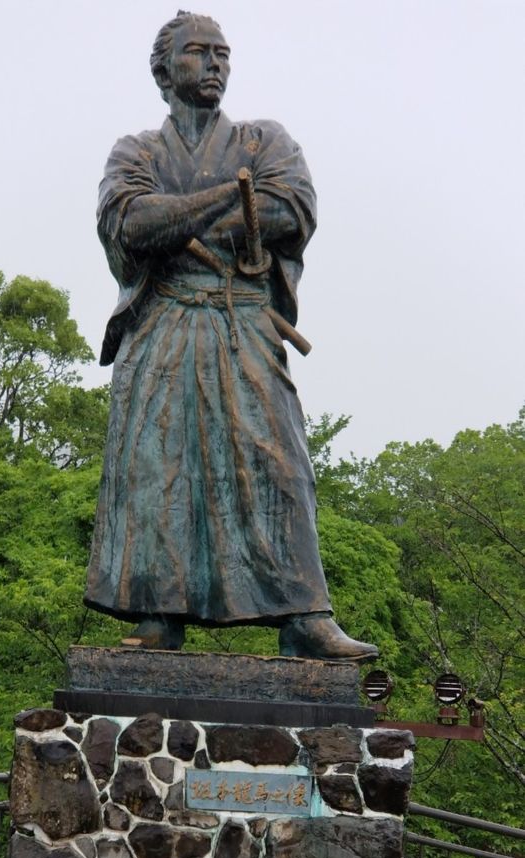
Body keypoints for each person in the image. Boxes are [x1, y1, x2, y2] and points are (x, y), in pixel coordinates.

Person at [84, 11, 378, 661]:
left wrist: (187, 213)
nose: (216, 62)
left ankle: (304, 615)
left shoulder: (264, 139)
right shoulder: (136, 152)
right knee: (159, 471)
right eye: (198, 52)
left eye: (223, 52)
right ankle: (158, 613)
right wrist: (229, 198)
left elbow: (289, 210)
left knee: (279, 464)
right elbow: (130, 225)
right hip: (162, 326)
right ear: (164, 70)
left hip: (242, 319)